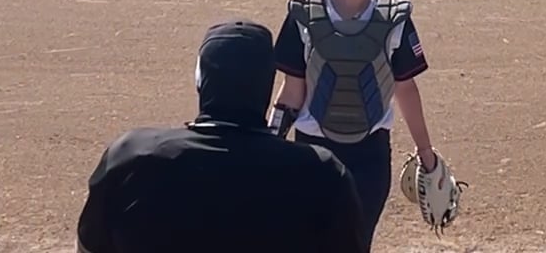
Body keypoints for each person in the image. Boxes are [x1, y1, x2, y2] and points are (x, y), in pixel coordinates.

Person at [76, 21, 368, 253]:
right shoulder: (321, 173)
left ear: (200, 81)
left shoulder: (132, 156)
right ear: (267, 84)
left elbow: (91, 245)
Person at [272, 0, 448, 251]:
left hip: (370, 156)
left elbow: (406, 89)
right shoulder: (304, 16)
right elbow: (292, 92)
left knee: (355, 243)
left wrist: (426, 154)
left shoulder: (394, 18)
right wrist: (268, 145)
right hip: (312, 153)